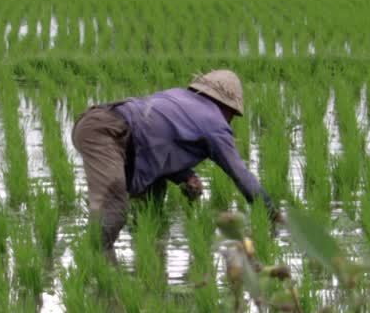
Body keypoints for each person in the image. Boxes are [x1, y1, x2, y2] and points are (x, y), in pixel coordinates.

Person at [71, 69, 281, 261]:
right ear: (226, 106)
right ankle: (100, 271)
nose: (230, 120)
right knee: (113, 205)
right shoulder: (215, 123)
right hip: (107, 133)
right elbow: (241, 175)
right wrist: (271, 213)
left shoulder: (179, 97)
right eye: (232, 114)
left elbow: (158, 141)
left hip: (109, 128)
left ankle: (146, 250)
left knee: (153, 193)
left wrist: (186, 177)